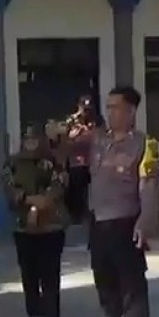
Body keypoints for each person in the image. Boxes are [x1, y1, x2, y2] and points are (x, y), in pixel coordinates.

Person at [82, 86, 159, 317]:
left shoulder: (143, 144)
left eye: (115, 107)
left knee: (131, 281)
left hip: (126, 221)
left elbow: (148, 186)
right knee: (103, 276)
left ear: (131, 111)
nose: (110, 112)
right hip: (99, 221)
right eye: (108, 107)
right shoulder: (98, 141)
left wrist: (145, 223)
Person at [5, 125, 69, 317]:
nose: (32, 144)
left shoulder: (52, 161)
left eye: (35, 140)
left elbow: (60, 183)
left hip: (51, 225)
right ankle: (34, 310)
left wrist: (44, 201)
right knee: (28, 271)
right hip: (23, 226)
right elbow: (9, 187)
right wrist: (29, 201)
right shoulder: (13, 162)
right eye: (27, 140)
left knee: (50, 272)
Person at [62, 95, 103, 223]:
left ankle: (98, 212)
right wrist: (75, 133)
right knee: (77, 185)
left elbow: (104, 136)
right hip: (77, 162)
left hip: (95, 160)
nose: (87, 112)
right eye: (84, 108)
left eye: (89, 108)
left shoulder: (98, 120)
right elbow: (64, 140)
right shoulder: (72, 120)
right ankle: (78, 215)